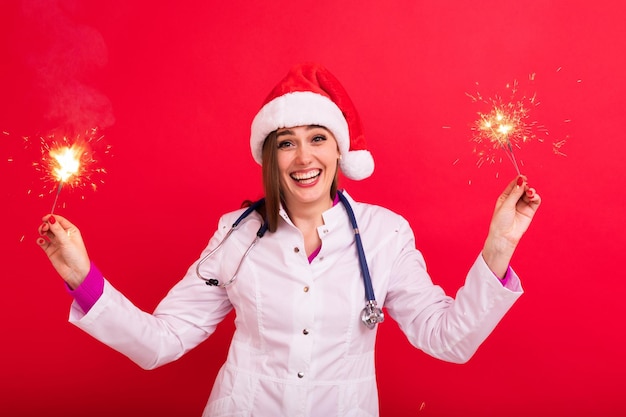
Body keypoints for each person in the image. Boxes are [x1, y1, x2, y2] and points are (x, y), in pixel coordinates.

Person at [37, 63, 541, 416]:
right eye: (286, 143)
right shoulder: (234, 237)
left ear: (339, 150)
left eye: (317, 138)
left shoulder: (385, 234)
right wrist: (83, 276)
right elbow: (160, 343)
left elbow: (447, 339)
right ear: (269, 156)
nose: (303, 158)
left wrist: (499, 245)